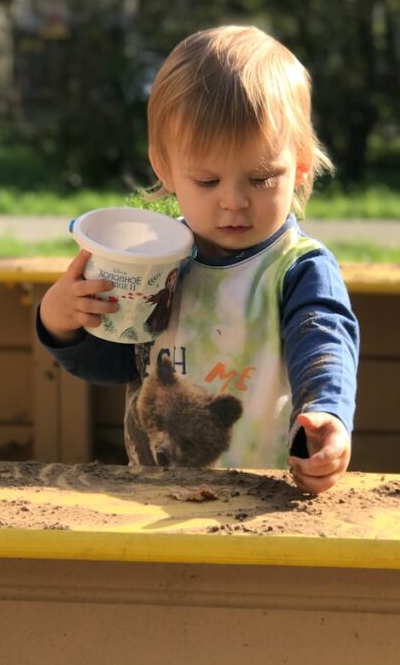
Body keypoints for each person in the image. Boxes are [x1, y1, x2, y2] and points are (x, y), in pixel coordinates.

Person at [37, 25, 359, 494]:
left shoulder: (297, 268)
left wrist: (327, 413)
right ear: (165, 169)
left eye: (262, 178)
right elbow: (114, 364)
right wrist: (61, 320)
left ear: (302, 165)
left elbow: (326, 343)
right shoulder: (155, 263)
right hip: (152, 493)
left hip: (264, 493)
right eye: (208, 182)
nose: (234, 201)